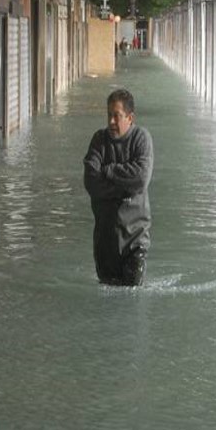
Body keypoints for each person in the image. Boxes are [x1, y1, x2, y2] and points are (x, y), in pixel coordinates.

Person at [83, 88, 153, 286]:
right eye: (109, 115)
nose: (111, 122)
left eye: (117, 116)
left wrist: (110, 171)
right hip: (105, 242)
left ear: (130, 118)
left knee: (131, 296)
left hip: (135, 242)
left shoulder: (141, 139)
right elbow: (91, 183)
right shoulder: (99, 141)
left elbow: (140, 179)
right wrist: (125, 190)